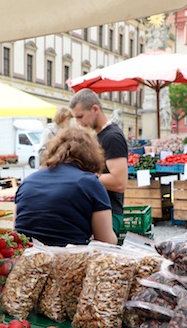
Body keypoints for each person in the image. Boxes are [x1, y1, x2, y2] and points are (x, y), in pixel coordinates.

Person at [15, 126, 116, 246]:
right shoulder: (91, 184)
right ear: (92, 155)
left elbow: (15, 232)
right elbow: (106, 242)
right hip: (68, 261)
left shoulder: (27, 182)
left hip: (24, 259)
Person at [69, 89, 128, 236]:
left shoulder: (112, 137)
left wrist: (82, 177)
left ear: (95, 109)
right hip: (93, 208)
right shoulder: (94, 135)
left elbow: (119, 182)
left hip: (108, 212)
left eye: (80, 117)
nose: (78, 123)